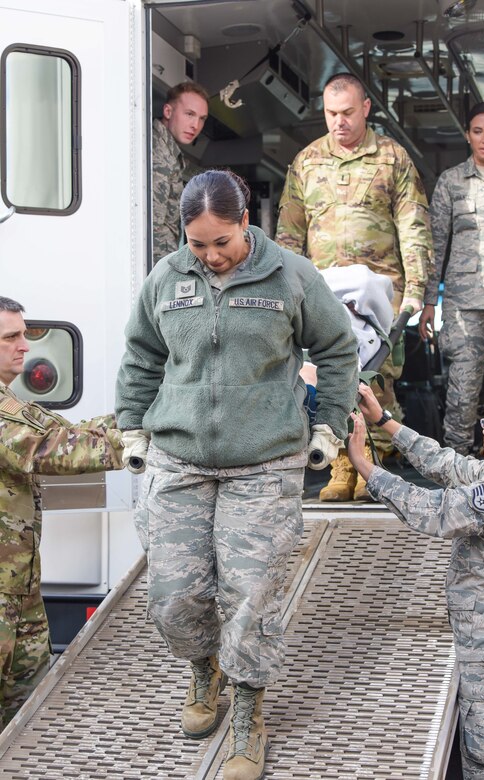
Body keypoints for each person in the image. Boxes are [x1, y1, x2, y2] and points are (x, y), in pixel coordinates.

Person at [115, 170, 358, 780]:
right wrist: (132, 426)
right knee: (174, 599)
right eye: (198, 244)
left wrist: (329, 424)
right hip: (180, 458)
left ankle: (249, 712)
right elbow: (142, 355)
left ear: (245, 221)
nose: (211, 256)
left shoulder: (292, 276)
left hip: (265, 462)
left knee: (250, 597)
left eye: (221, 242)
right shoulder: (166, 280)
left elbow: (337, 348)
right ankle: (204, 669)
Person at [348, 381, 484, 780]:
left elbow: (434, 511)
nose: (483, 429)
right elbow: (448, 465)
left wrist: (367, 468)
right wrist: (385, 421)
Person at [276, 72, 433, 502]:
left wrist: (418, 288)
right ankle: (344, 467)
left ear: (366, 108)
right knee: (331, 375)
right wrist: (282, 290)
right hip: (324, 291)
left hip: (381, 291)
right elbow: (288, 235)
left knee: (375, 378)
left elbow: (414, 226)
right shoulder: (306, 162)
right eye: (330, 114)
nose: (338, 122)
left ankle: (372, 467)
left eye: (347, 112)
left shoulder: (392, 158)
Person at [0, 296, 123, 729]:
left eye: (24, 335)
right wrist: (142, 440)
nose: (24, 346)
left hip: (19, 587)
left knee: (27, 713)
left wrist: (135, 417)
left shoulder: (9, 401)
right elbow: (50, 450)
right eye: (11, 337)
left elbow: (64, 431)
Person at [420, 101, 484, 455]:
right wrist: (429, 301)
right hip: (464, 301)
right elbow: (435, 245)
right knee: (462, 388)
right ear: (467, 135)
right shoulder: (451, 181)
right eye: (477, 131)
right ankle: (456, 464)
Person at [152, 81, 209, 264]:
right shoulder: (157, 150)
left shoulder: (169, 151)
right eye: (189, 114)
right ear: (168, 112)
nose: (195, 125)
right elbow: (154, 225)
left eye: (202, 118)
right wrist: (172, 272)